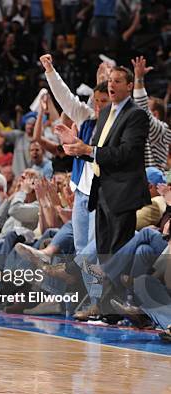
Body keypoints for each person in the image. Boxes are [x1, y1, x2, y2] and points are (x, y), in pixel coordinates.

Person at [58, 66, 150, 258]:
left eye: (117, 81)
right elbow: (96, 151)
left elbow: (126, 154)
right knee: (97, 253)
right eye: (110, 81)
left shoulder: (136, 114)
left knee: (111, 252)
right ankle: (91, 286)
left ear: (129, 86)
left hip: (122, 192)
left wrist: (88, 149)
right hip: (99, 191)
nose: (111, 85)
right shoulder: (106, 112)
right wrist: (76, 147)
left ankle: (71, 272)